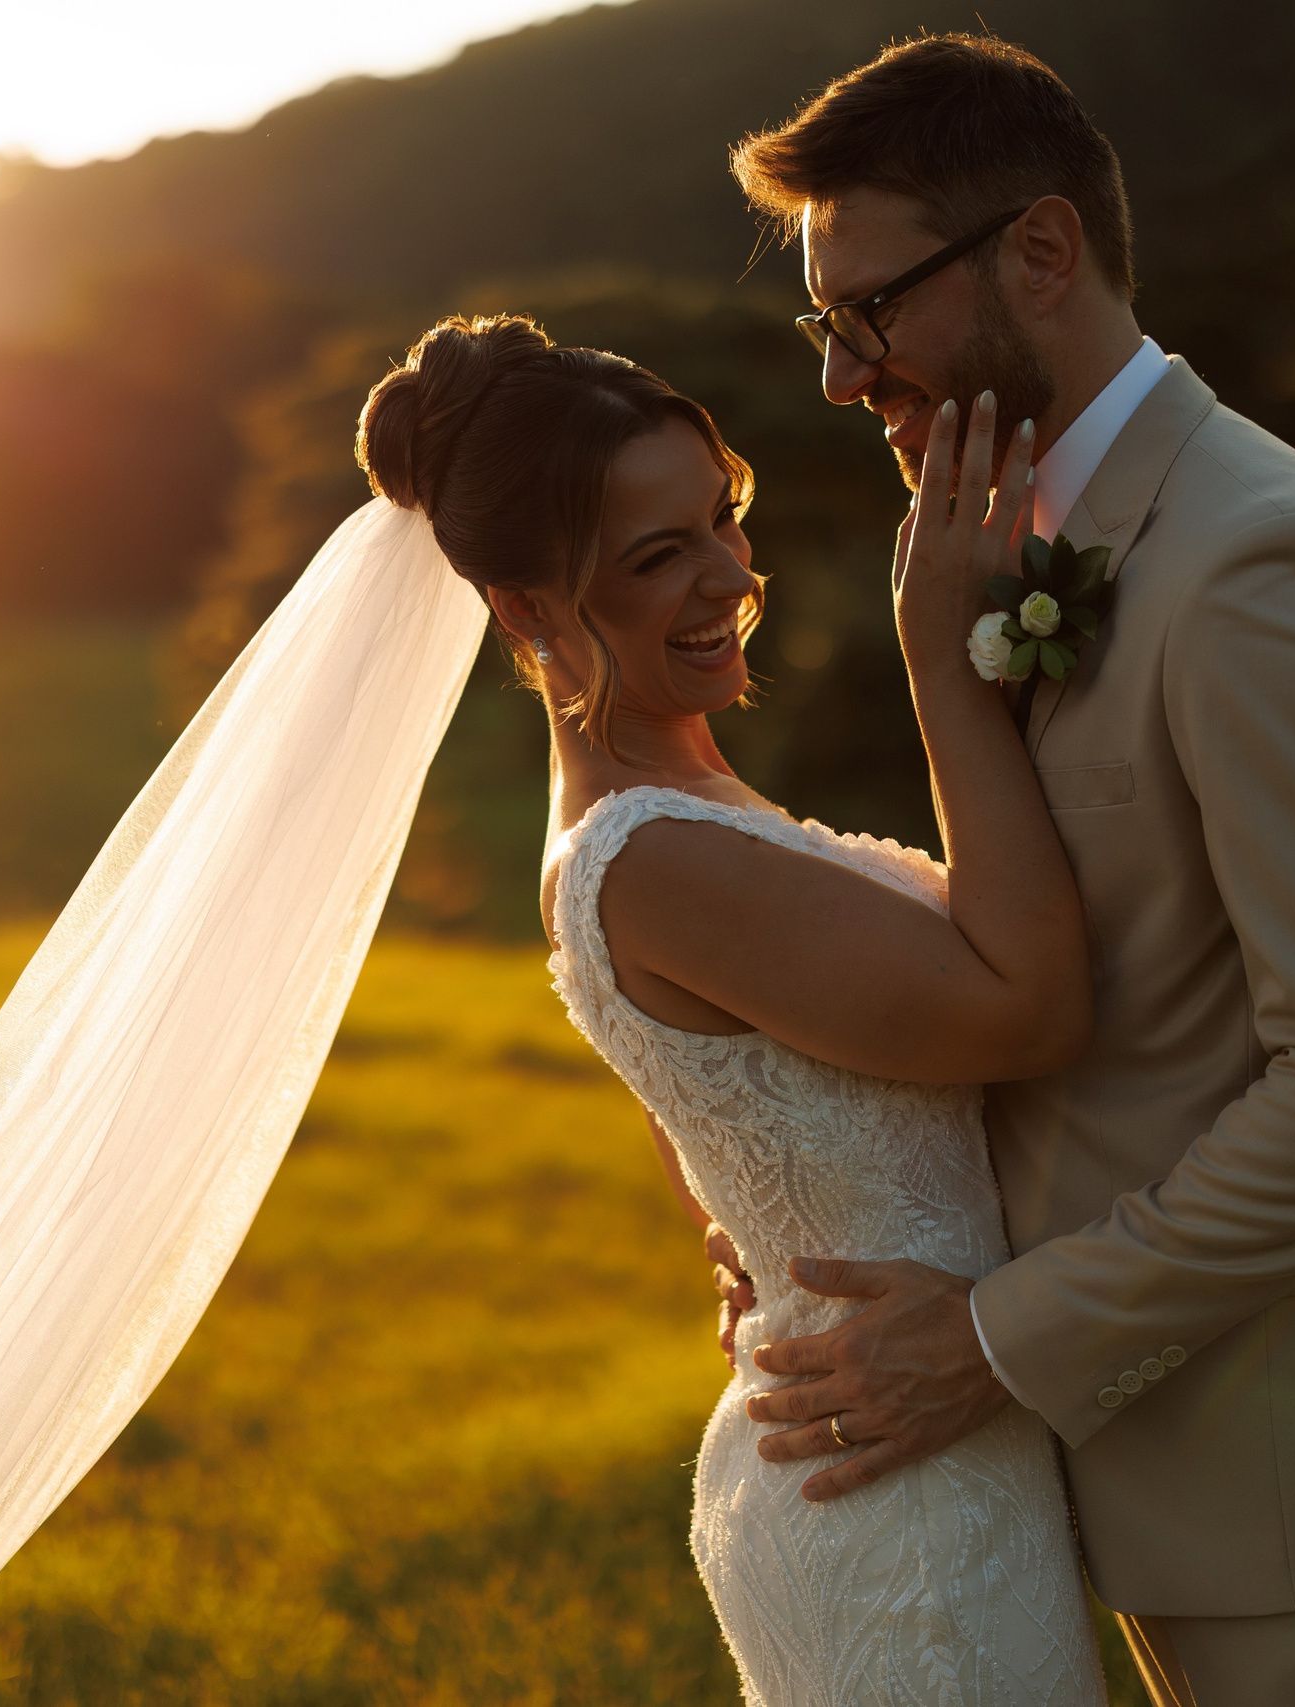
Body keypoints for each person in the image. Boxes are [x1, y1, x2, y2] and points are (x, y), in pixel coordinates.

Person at [714, 35, 1295, 1707]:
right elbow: (1093, 1005)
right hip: (1189, 1493)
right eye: (824, 326)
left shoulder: (1262, 562)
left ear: (1041, 252)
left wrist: (989, 1341)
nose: (841, 378)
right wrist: (813, 1195)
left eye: (870, 314)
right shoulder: (1020, 543)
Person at [357, 310, 1108, 1706]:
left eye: (720, 517)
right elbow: (1035, 1012)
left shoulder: (665, 814)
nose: (729, 577)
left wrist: (757, 1243)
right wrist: (940, 659)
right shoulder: (652, 852)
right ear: (526, 611)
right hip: (913, 1527)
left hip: (913, 1462)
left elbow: (694, 1104)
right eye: (658, 559)